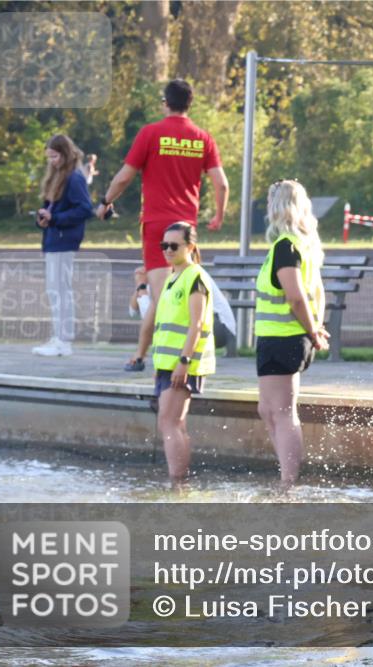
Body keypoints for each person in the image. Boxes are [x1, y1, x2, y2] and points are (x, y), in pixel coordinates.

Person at [96, 79, 229, 373]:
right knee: (181, 290)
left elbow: (124, 177)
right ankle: (168, 352)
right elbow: (221, 183)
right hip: (186, 228)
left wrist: (105, 201)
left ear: (165, 103)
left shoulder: (151, 133)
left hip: (158, 227)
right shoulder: (203, 138)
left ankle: (147, 356)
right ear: (190, 104)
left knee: (162, 296)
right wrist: (219, 217)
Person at [255, 180, 329, 490]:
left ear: (278, 207)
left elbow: (296, 297)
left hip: (284, 337)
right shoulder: (297, 245)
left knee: (282, 412)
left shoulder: (287, 247)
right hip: (278, 336)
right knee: (268, 410)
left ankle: (288, 483)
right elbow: (317, 292)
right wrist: (316, 326)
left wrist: (313, 331)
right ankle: (287, 477)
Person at [151, 222, 215, 488]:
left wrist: (184, 362)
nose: (167, 250)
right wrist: (159, 365)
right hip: (167, 363)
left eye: (174, 246)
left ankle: (177, 484)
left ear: (190, 247)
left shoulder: (195, 277)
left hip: (182, 363)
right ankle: (180, 483)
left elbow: (196, 324)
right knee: (174, 423)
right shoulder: (172, 277)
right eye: (164, 245)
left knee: (169, 422)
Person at [32, 134, 95, 357]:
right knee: (54, 290)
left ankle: (64, 341)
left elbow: (85, 209)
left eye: (55, 156)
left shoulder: (74, 178)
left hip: (63, 240)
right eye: (49, 157)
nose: (52, 161)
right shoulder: (57, 177)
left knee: (60, 290)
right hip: (53, 239)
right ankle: (59, 336)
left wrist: (56, 219)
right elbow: (52, 210)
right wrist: (43, 219)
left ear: (65, 154)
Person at [129, 263, 236, 350]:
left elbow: (155, 318)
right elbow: (132, 311)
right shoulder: (160, 275)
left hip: (220, 327)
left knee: (165, 320)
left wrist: (141, 287)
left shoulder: (186, 272)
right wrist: (141, 284)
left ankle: (184, 360)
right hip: (208, 325)